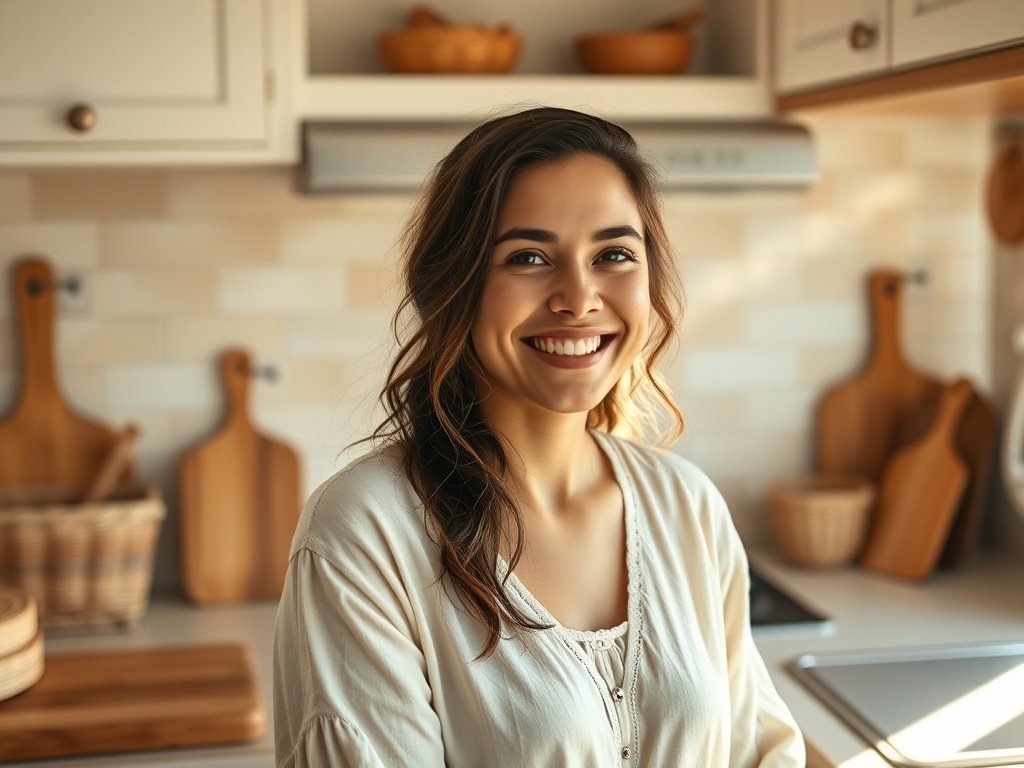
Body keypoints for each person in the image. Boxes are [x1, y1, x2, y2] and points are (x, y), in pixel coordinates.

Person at [273, 106, 805, 767]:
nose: (579, 297)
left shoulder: (685, 504)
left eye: (613, 254)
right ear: (454, 284)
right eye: (528, 257)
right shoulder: (363, 532)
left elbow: (760, 749)